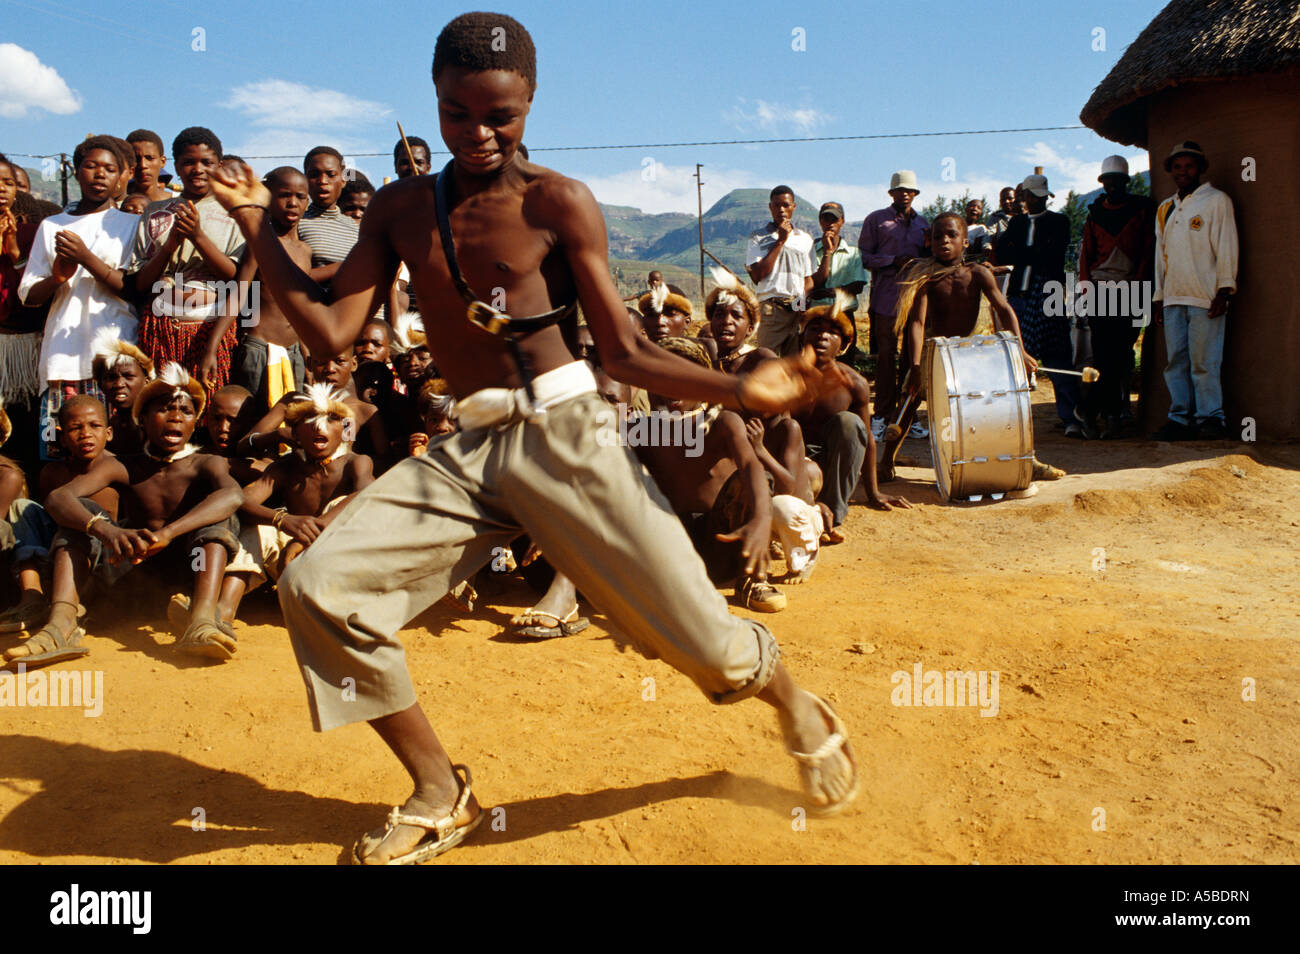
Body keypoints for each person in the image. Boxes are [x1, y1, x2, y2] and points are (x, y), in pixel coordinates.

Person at [208, 10, 859, 864]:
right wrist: (259, 223)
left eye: (499, 116)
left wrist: (739, 385)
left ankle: (797, 706)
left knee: (699, 640)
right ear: (434, 102)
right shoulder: (403, 208)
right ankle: (443, 792)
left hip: (566, 438)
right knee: (320, 586)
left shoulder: (558, 201)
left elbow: (625, 349)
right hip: (466, 445)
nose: (477, 134)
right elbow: (331, 332)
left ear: (531, 103)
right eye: (456, 113)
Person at [6, 365, 244, 666]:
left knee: (219, 518)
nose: (175, 416)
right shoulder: (123, 466)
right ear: (142, 418)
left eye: (185, 410)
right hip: (130, 579)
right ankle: (61, 624)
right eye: (164, 409)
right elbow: (58, 498)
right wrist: (107, 531)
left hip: (186, 579)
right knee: (83, 515)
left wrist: (168, 533)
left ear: (194, 422)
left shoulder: (206, 464)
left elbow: (233, 496)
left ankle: (202, 620)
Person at [880, 212, 1062, 484]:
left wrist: (1020, 351)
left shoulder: (978, 274)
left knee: (1003, 402)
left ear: (965, 242)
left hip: (973, 352)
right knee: (910, 397)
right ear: (929, 242)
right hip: (937, 351)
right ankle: (886, 461)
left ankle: (1026, 459)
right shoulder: (926, 277)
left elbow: (1004, 309)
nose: (944, 241)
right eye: (937, 236)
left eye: (951, 235)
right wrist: (916, 366)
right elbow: (917, 323)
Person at [18, 137, 139, 460]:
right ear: (76, 171)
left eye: (109, 169)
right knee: (59, 453)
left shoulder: (130, 226)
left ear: (120, 178)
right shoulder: (51, 226)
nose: (100, 174)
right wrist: (57, 277)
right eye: (91, 166)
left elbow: (134, 288)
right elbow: (29, 296)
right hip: (63, 357)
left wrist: (85, 257)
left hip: (113, 355)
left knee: (116, 455)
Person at [126, 126, 244, 390]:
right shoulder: (155, 213)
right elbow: (140, 285)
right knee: (163, 407)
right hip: (160, 328)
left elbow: (234, 276)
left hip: (209, 328)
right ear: (176, 165)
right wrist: (170, 246)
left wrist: (197, 235)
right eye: (189, 162)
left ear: (220, 166)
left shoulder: (235, 213)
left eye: (207, 162)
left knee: (206, 410)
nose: (198, 169)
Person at [793, 291, 910, 542]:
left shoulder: (853, 383)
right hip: (791, 463)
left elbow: (865, 438)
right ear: (803, 335)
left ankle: (832, 517)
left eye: (832, 332)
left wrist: (873, 492)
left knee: (850, 422)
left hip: (831, 468)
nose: (822, 336)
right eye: (815, 329)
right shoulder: (784, 375)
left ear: (844, 344)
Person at [0, 396, 116, 636]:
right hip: (58, 559)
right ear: (62, 437)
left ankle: (77, 603)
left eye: (94, 426)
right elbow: (43, 525)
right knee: (23, 507)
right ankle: (33, 597)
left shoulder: (118, 470)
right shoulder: (52, 473)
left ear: (109, 433)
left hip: (101, 564)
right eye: (75, 428)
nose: (85, 434)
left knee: (79, 510)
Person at [240, 384, 374, 581]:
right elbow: (240, 501)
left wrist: (306, 535)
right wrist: (281, 520)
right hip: (289, 560)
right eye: (309, 420)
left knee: (343, 504)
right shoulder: (285, 467)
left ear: (345, 430)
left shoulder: (356, 463)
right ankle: (223, 607)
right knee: (256, 530)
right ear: (295, 434)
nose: (319, 426)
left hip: (338, 556)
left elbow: (368, 496)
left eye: (331, 419)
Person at [1150, 141, 1238, 442]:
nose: (1182, 171)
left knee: (1205, 361)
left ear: (1200, 167)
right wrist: (1159, 298)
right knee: (1176, 361)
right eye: (1177, 166)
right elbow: (1160, 258)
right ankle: (1180, 419)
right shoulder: (1165, 209)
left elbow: (1226, 245)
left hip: (1205, 296)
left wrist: (1224, 290)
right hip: (1173, 297)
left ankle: (1211, 418)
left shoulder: (1216, 201)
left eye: (1188, 166)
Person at [218, 167, 311, 408]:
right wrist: (213, 345)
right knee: (253, 417)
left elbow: (302, 307)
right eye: (284, 195)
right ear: (267, 199)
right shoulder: (260, 243)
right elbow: (239, 294)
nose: (292, 203)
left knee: (292, 419)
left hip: (294, 352)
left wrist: (306, 350)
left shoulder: (305, 251)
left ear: (307, 201)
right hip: (259, 349)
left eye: (300, 197)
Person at [1078, 156, 1155, 440]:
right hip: (1101, 288)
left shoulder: (1142, 210)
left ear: (1127, 182)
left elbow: (1148, 249)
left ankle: (1091, 409)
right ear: (1102, 184)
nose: (1112, 186)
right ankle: (1110, 415)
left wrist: (1139, 283)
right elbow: (1086, 255)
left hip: (1132, 288)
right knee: (1105, 354)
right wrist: (1086, 287)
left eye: (1117, 181)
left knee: (1123, 352)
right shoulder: (1094, 213)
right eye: (1107, 182)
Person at [996, 174, 1078, 432]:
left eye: (1037, 196)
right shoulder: (1018, 222)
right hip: (1020, 295)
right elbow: (1003, 252)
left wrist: (1021, 251)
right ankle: (1012, 421)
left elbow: (1049, 254)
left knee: (1058, 356)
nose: (1033, 200)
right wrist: (1027, 252)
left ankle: (1071, 418)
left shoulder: (1058, 221)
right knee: (1015, 358)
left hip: (1049, 295)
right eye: (1030, 196)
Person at [858, 171, 928, 438]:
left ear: (915, 194)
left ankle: (908, 417)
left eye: (910, 190)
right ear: (891, 194)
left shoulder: (923, 224)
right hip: (885, 297)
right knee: (886, 358)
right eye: (900, 190)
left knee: (913, 360)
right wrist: (891, 260)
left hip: (915, 298)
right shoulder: (876, 220)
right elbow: (865, 257)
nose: (905, 194)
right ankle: (881, 416)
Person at [745, 185, 815, 357]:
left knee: (794, 365)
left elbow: (808, 279)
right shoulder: (758, 237)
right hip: (771, 309)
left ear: (793, 207)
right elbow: (757, 275)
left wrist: (802, 301)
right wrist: (780, 242)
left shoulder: (805, 239)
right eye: (776, 205)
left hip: (796, 310)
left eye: (785, 205)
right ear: (770, 207)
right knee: (768, 361)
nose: (781, 210)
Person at [810, 201, 868, 356]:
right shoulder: (810, 252)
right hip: (816, 314)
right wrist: (827, 252)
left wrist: (831, 292)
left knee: (844, 363)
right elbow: (814, 282)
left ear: (842, 221)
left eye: (834, 219)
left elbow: (858, 286)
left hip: (844, 313)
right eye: (826, 219)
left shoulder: (854, 253)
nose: (830, 224)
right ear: (820, 222)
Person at [297, 146, 358, 289]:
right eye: (314, 174)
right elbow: (289, 278)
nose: (322, 181)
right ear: (304, 180)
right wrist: (342, 267)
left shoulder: (356, 228)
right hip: (314, 308)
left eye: (331, 174)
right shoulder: (296, 224)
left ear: (343, 180)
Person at [91, 329, 153, 456]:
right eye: (110, 378)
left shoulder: (154, 423)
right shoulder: (106, 427)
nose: (119, 384)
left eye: (128, 376)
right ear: (100, 385)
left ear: (146, 381)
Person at [125, 129, 171, 203]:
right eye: (136, 159)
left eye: (149, 158)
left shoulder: (182, 204)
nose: (143, 165)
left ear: (162, 162)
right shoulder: (117, 209)